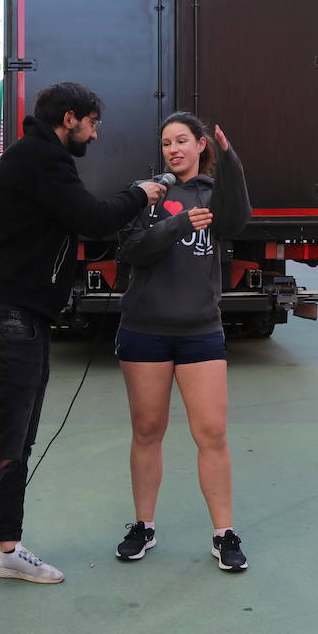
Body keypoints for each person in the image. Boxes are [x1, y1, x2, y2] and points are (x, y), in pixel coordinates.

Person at [0, 81, 167, 614]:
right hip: (6, 317)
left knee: (18, 442)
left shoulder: (40, 157)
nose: (96, 132)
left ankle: (6, 549)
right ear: (69, 117)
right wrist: (141, 194)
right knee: (0, 441)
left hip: (25, 316)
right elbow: (95, 217)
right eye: (92, 122)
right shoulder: (41, 157)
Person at [113, 112, 253, 571]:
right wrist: (177, 225)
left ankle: (224, 533)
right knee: (147, 431)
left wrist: (230, 159)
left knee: (211, 433)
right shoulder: (149, 193)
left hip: (200, 332)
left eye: (182, 141)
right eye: (166, 143)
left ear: (199, 146)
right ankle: (143, 526)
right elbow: (131, 251)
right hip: (144, 330)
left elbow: (236, 222)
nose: (173, 150)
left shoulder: (214, 194)